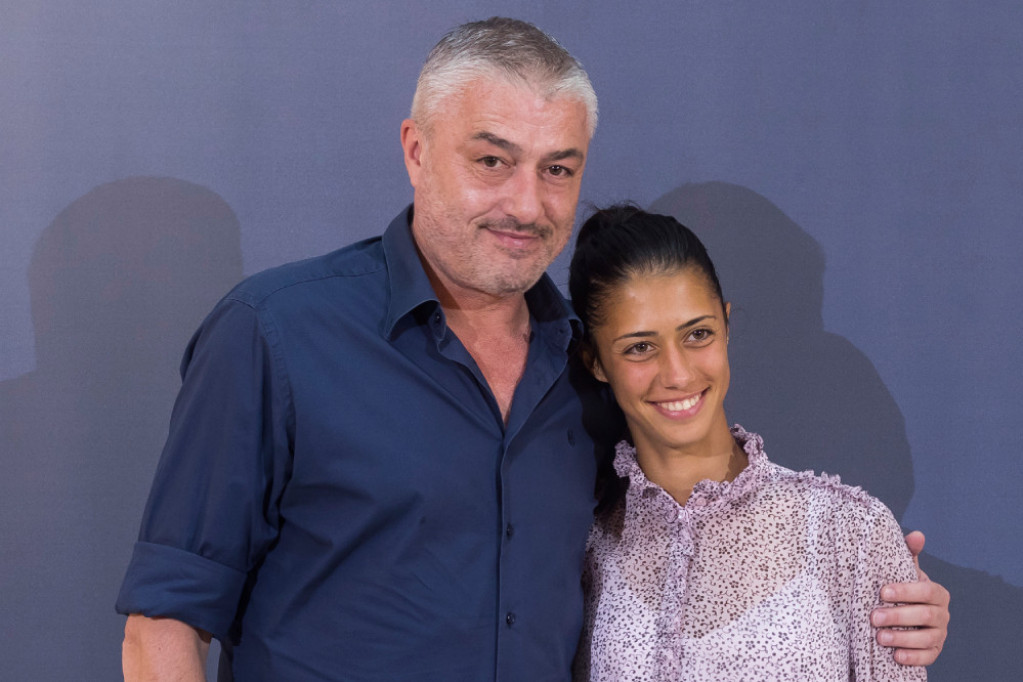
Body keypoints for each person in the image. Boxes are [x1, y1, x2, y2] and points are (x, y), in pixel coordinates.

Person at [116, 18, 948, 681]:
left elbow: (694, 545)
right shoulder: (276, 334)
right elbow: (162, 629)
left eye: (558, 169)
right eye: (492, 160)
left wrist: (875, 597)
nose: (526, 203)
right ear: (415, 150)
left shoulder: (589, 371)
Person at [568, 205, 931, 680]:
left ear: (726, 325)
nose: (677, 374)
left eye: (698, 334)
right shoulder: (583, 550)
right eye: (640, 347)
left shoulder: (850, 533)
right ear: (595, 361)